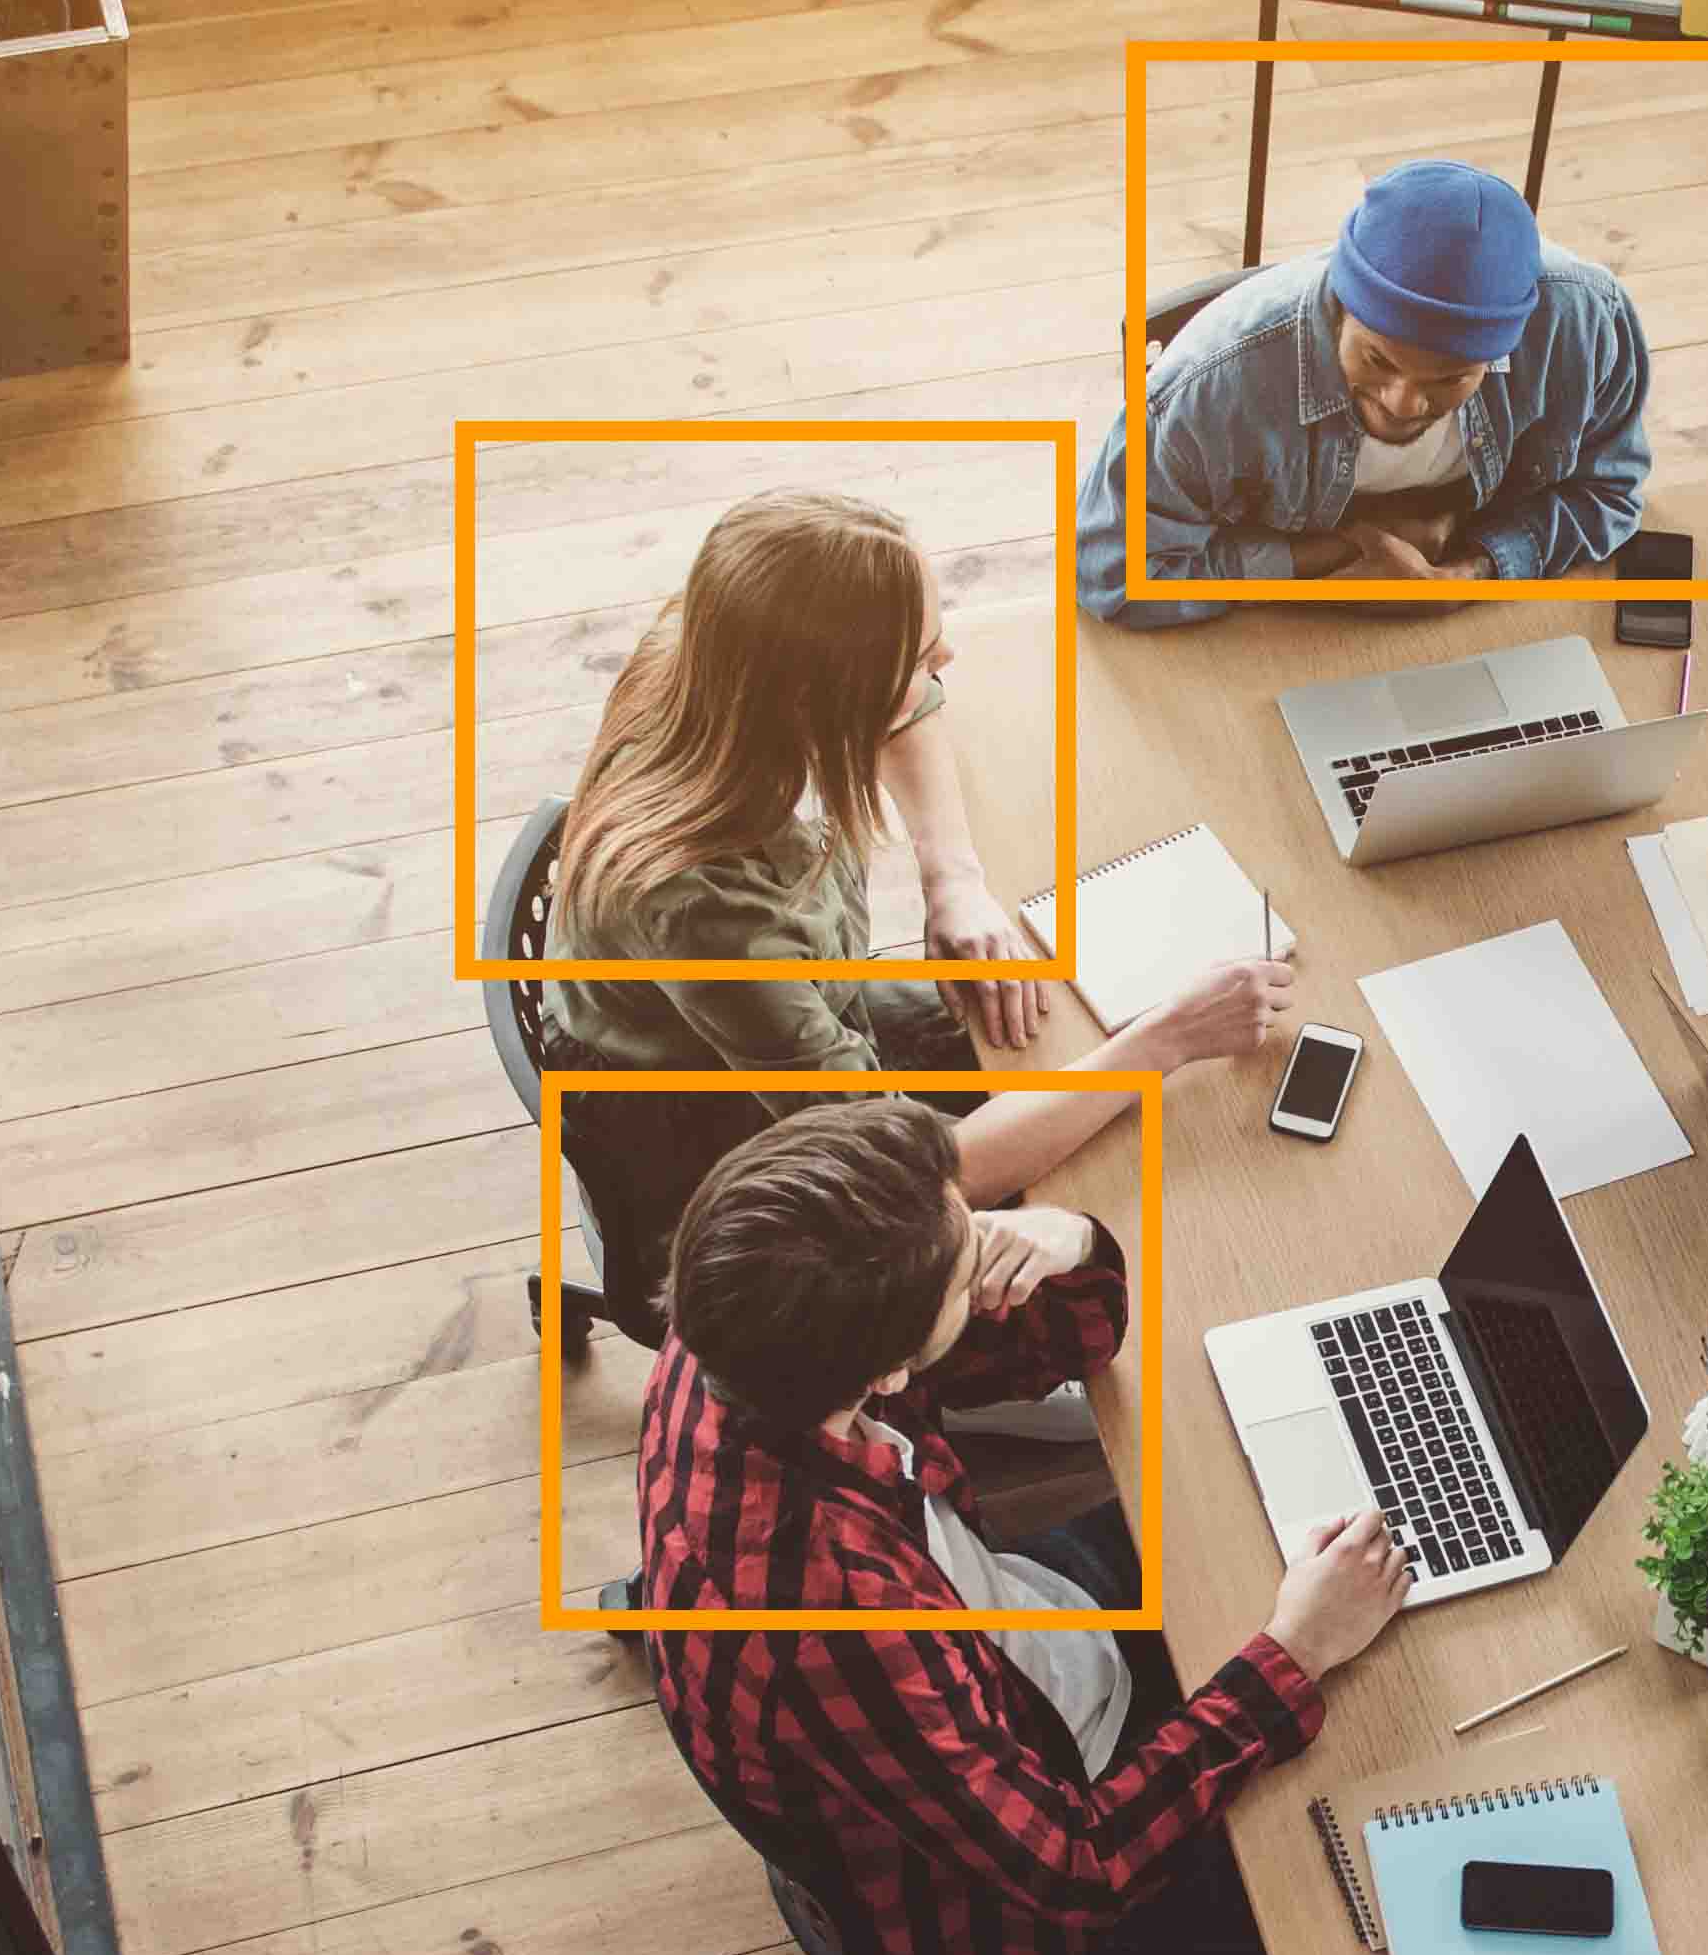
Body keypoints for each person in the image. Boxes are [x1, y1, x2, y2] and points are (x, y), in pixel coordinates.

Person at [633, 1100, 1415, 1955]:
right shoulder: (828, 1614)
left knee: (1280, 1526)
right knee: (1362, 1870)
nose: (982, 1233)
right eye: (968, 1265)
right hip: (1034, 1855)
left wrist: (1064, 1236)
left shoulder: (749, 1326)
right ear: (881, 1370)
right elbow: (1076, 1866)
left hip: (1011, 1638)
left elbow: (1070, 1340)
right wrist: (1290, 1655)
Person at [539, 488, 1296, 1327]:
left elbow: (911, 716)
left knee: (1049, 1033)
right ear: (822, 700)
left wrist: (954, 879)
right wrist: (1171, 1041)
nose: (948, 662)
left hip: (804, 1016)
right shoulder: (712, 916)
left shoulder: (717, 655)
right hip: (704, 1121)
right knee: (1107, 1176)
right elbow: (917, 1178)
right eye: (920, 658)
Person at [1075, 158, 1652, 628]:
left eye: (1450, 379)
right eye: (1377, 359)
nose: (1402, 403)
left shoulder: (1587, 323)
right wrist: (1335, 557)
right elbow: (1112, 573)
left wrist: (1466, 577)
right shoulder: (1209, 390)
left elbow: (1611, 491)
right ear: (1340, 305)